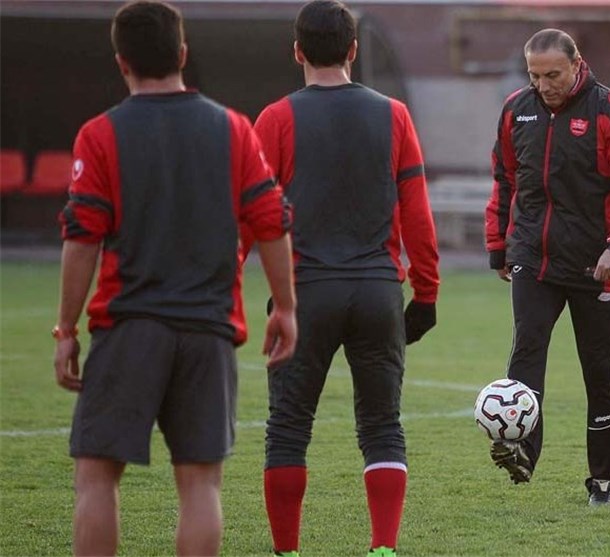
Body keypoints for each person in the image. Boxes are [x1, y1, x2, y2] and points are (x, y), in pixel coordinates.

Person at [52, 2, 297, 555]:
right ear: (183, 54)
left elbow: (82, 236)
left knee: (96, 477)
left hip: (128, 328)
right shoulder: (233, 129)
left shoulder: (100, 134)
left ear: (122, 63)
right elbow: (272, 222)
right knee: (200, 484)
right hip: (208, 330)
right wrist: (285, 307)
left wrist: (65, 328)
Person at [247, 1, 440, 555]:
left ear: (297, 51)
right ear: (354, 50)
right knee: (382, 425)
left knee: (288, 429)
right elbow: (417, 213)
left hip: (306, 293)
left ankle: (288, 551)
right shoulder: (394, 114)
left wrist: (220, 291)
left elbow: (252, 214)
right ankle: (383, 549)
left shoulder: (277, 118)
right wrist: (425, 293)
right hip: (379, 290)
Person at [484, 28, 610, 506]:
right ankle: (521, 451)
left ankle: (602, 482)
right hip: (533, 259)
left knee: (600, 374)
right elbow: (504, 178)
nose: (544, 85)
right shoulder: (516, 110)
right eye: (535, 75)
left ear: (576, 63)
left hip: (595, 266)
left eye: (553, 74)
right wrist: (499, 245)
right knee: (525, 356)